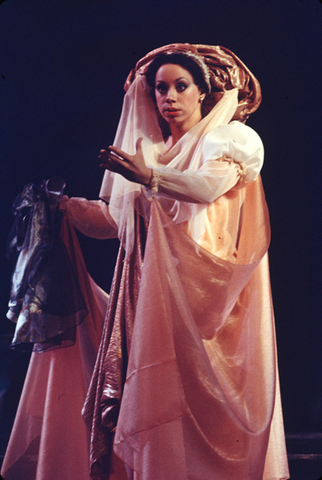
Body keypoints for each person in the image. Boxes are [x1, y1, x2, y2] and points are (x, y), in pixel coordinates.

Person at [2, 43, 290, 480]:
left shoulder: (230, 140)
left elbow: (205, 188)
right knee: (157, 399)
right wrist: (63, 207)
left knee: (200, 399)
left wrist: (149, 177)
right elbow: (116, 223)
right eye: (160, 88)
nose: (169, 97)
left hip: (202, 293)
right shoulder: (149, 153)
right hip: (146, 293)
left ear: (202, 93)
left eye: (180, 86)